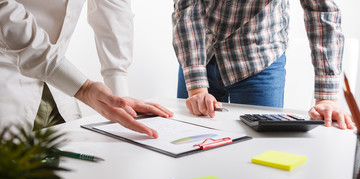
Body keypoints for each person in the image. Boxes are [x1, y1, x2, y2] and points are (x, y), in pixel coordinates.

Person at [0, 0, 173, 138]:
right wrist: (84, 89)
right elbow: (5, 16)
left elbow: (113, 8)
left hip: (59, 86)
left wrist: (118, 95)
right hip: (7, 80)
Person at [172, 0, 355, 130]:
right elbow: (187, 8)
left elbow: (321, 11)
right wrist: (197, 89)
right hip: (199, 53)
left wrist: (326, 100)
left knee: (258, 151)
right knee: (188, 138)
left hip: (259, 59)